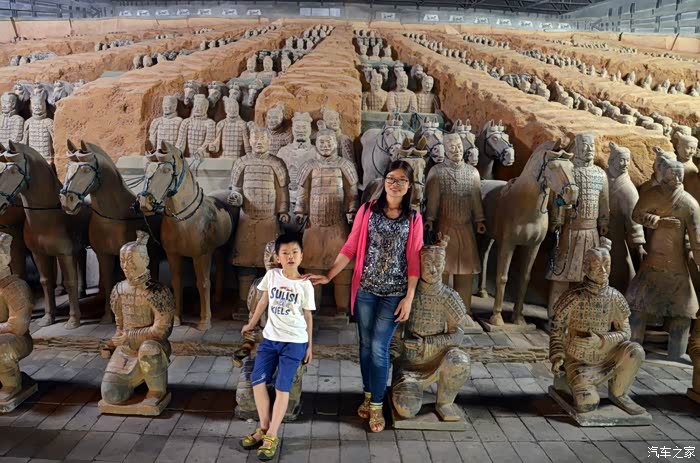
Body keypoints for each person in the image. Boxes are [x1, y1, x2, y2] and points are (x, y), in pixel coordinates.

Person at [306, 160, 424, 433]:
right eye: (391, 178)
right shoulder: (368, 210)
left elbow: (414, 260)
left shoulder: (413, 218)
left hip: (394, 293)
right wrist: (329, 275)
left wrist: (409, 297)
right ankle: (369, 395)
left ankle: (377, 406)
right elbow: (350, 247)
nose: (395, 184)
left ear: (409, 186)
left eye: (401, 180)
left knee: (380, 347)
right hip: (366, 291)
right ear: (384, 181)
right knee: (365, 346)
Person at [239, 233, 315, 461]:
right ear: (278, 257)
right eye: (285, 253)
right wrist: (251, 324)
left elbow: (308, 316)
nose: (290, 256)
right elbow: (263, 301)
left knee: (283, 386)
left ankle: (272, 434)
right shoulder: (272, 276)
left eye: (294, 252)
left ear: (301, 256)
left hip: (295, 342)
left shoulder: (305, 284)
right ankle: (264, 427)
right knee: (257, 379)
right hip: (270, 340)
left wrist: (310, 346)